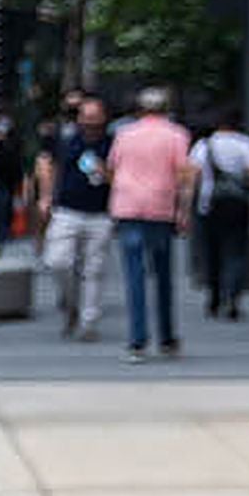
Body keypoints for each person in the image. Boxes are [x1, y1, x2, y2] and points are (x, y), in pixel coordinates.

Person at [105, 84, 197, 361]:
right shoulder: (177, 135)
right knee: (163, 276)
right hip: (160, 208)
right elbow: (184, 175)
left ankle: (137, 341)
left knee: (134, 276)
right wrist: (184, 210)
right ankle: (166, 337)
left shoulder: (123, 134)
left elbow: (112, 167)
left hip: (128, 207)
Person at [36, 89, 117, 343]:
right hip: (67, 210)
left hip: (100, 212)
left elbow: (121, 175)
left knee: (94, 269)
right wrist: (46, 196)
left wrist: (107, 175)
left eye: (95, 117)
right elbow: (49, 165)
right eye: (86, 117)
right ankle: (72, 304)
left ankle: (88, 321)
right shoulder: (65, 138)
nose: (91, 123)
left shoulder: (113, 142)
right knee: (57, 261)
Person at [194, 106, 249, 323]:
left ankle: (214, 298)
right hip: (237, 204)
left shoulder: (204, 145)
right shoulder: (245, 144)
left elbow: (192, 174)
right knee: (236, 253)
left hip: (209, 205)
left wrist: (182, 206)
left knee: (211, 254)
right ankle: (233, 299)